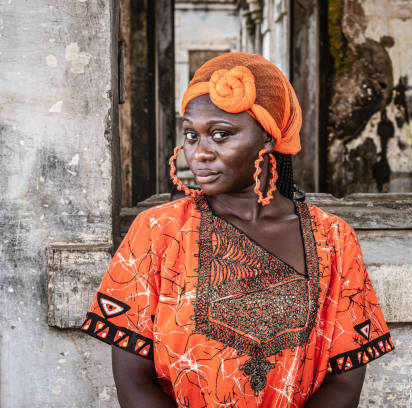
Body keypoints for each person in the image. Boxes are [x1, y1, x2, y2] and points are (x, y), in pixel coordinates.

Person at [81, 52, 394, 407]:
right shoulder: (158, 232)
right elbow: (133, 380)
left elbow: (344, 382)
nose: (199, 153)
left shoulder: (333, 238)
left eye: (220, 134)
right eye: (191, 135)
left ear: (268, 138)